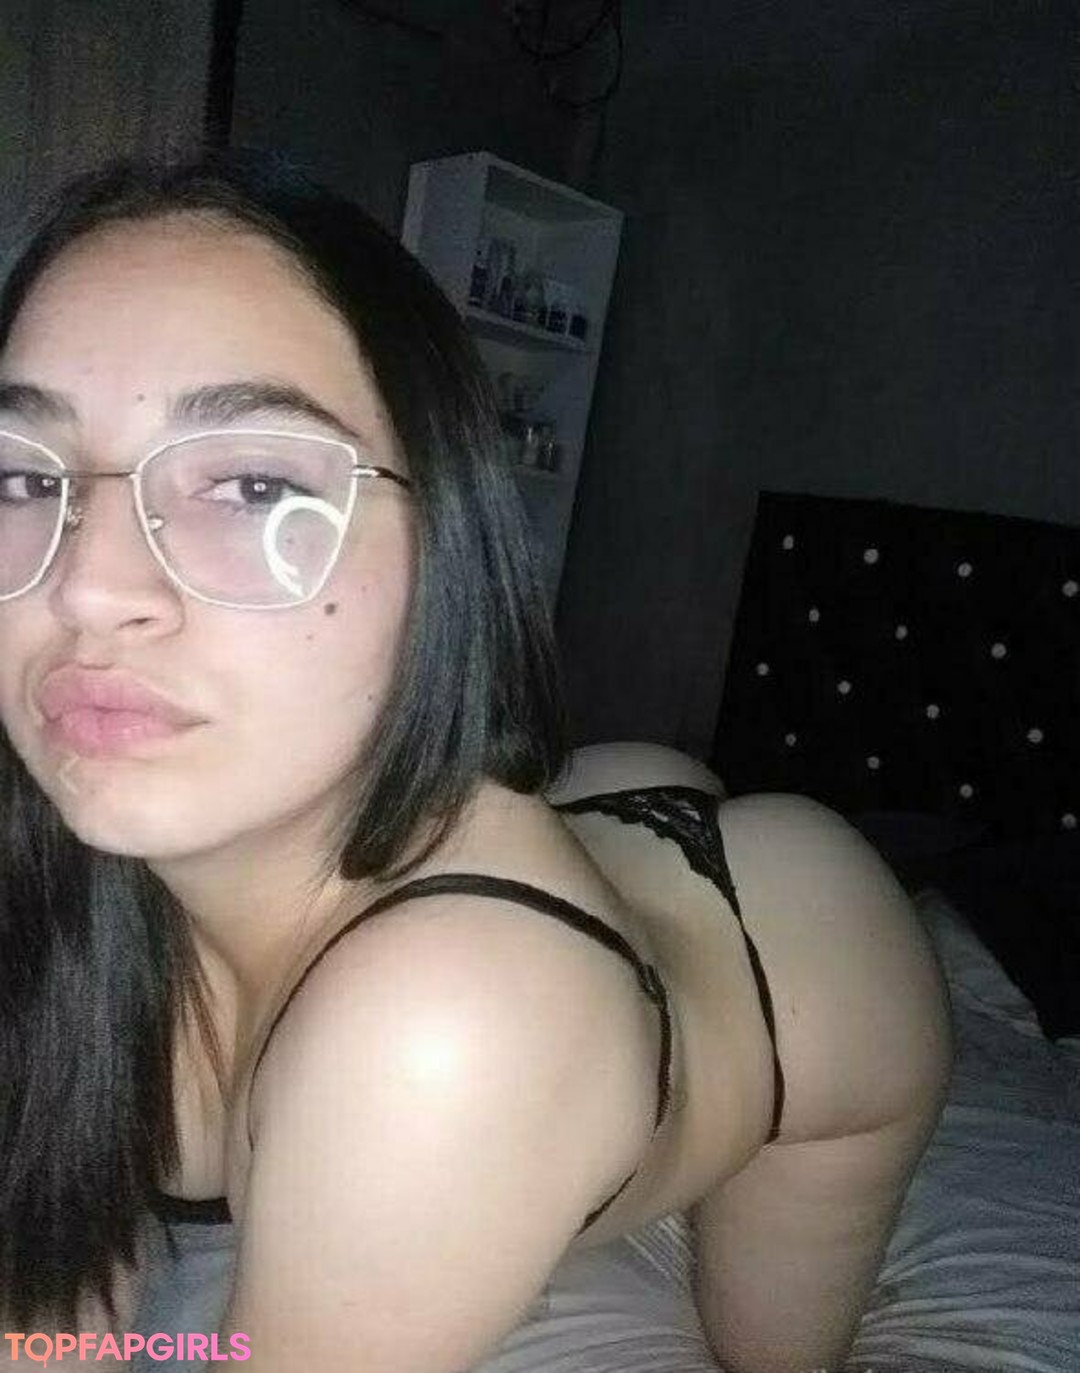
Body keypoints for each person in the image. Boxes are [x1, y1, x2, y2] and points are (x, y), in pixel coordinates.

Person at [0, 150, 952, 1373]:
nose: (87, 587)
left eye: (250, 483)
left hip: (801, 957)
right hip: (574, 799)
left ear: (446, 537)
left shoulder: (443, 1031)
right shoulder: (95, 811)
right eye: (23, 474)